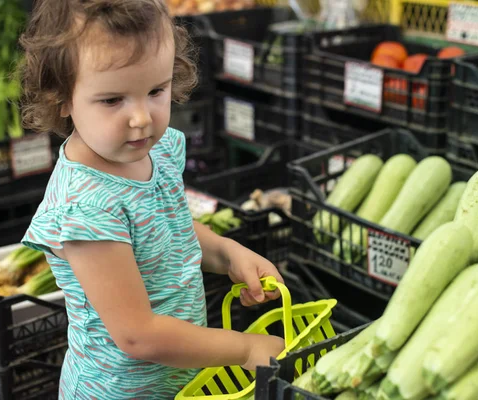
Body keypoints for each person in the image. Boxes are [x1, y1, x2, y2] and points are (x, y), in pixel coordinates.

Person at [18, 0, 285, 398]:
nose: (142, 118)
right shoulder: (88, 206)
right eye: (113, 100)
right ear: (62, 96)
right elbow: (137, 335)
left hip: (178, 380)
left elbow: (168, 228)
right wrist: (244, 348)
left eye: (156, 90)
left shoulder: (149, 151)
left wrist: (227, 253)